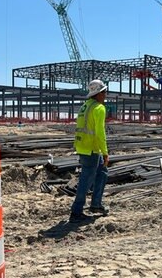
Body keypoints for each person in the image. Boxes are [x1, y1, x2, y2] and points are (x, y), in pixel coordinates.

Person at [70, 79, 109, 223]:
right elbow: (100, 133)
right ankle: (76, 211)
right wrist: (105, 152)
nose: (105, 95)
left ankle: (96, 204)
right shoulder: (99, 108)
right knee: (86, 180)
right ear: (98, 93)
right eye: (104, 92)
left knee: (102, 172)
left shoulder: (85, 106)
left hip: (82, 146)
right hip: (91, 149)